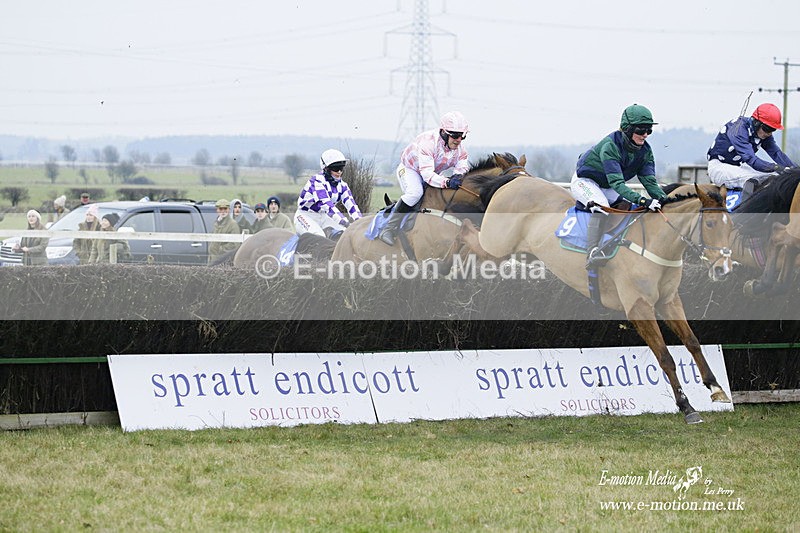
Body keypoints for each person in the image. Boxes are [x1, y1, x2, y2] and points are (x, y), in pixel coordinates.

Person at [571, 103, 667, 268]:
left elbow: (650, 183)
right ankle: (593, 251)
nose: (645, 135)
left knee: (627, 208)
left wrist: (666, 201)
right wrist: (644, 201)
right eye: (640, 130)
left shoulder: (646, 152)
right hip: (586, 181)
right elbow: (617, 183)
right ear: (627, 129)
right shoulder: (611, 146)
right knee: (602, 207)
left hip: (607, 185)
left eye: (648, 130)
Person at [379, 111, 470, 245]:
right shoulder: (428, 143)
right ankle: (388, 229)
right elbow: (427, 175)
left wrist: (458, 178)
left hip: (431, 172)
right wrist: (447, 181)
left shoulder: (461, 150)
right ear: (444, 133)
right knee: (415, 194)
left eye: (462, 136)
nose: (458, 140)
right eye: (455, 135)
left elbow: (461, 169)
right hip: (410, 169)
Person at [707, 103, 797, 192]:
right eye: (767, 129)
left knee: (778, 177)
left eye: (773, 129)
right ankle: (746, 207)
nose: (769, 133)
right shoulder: (738, 129)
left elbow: (776, 153)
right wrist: (776, 167)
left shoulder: (762, 132)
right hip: (719, 167)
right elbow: (751, 159)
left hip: (741, 166)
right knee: (754, 181)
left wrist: (796, 170)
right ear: (756, 123)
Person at [295, 149, 362, 238]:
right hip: (306, 216)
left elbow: (352, 205)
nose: (339, 172)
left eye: (341, 168)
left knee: (346, 235)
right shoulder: (317, 182)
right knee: (319, 237)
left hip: (324, 216)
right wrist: (345, 223)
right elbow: (328, 206)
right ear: (326, 169)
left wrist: (360, 222)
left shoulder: (343, 185)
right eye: (335, 168)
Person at [208, 198, 241, 264]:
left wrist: (220, 249)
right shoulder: (216, 223)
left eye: (225, 209)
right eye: (220, 209)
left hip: (223, 260)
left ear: (228, 210)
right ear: (217, 210)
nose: (223, 211)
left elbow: (235, 244)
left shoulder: (233, 224)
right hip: (212, 258)